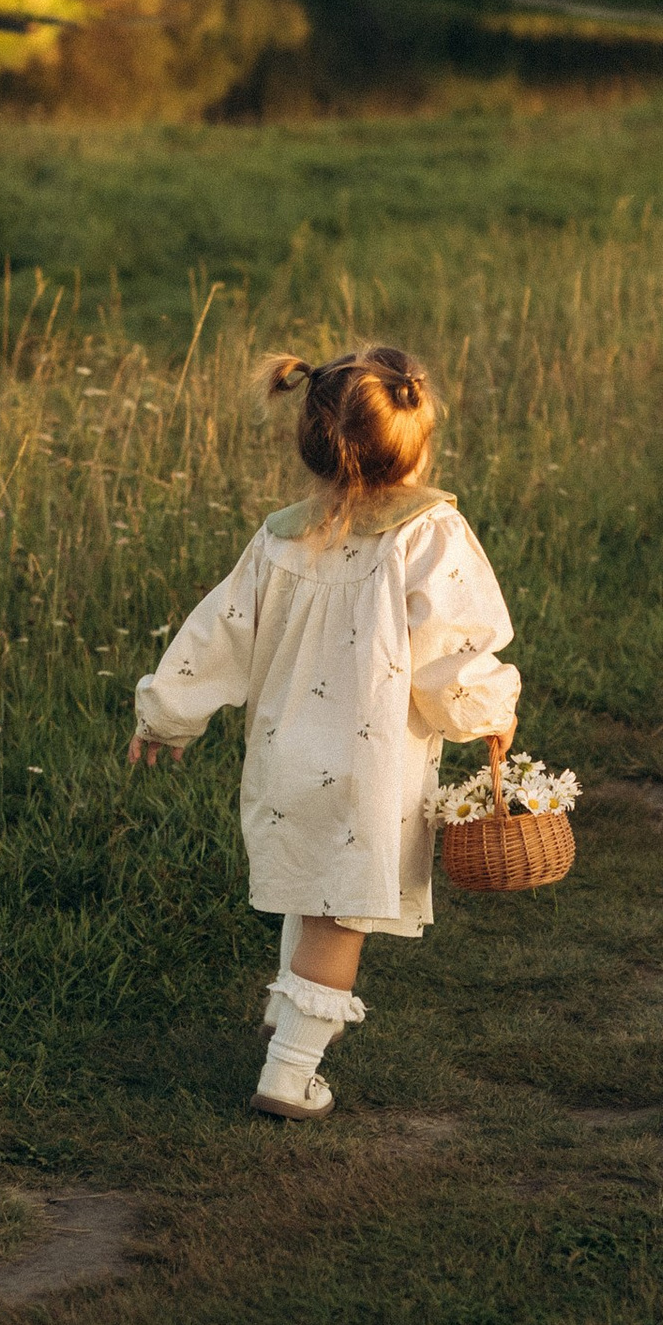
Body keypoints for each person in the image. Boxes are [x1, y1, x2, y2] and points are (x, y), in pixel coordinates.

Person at [129, 344, 520, 1119]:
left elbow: (218, 636)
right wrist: (487, 714)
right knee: (340, 912)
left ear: (312, 442)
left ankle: (292, 1014)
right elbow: (453, 649)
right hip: (370, 766)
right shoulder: (430, 534)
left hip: (284, 754)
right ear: (416, 446)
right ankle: (289, 1070)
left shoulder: (278, 538)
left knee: (314, 893)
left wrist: (167, 713)